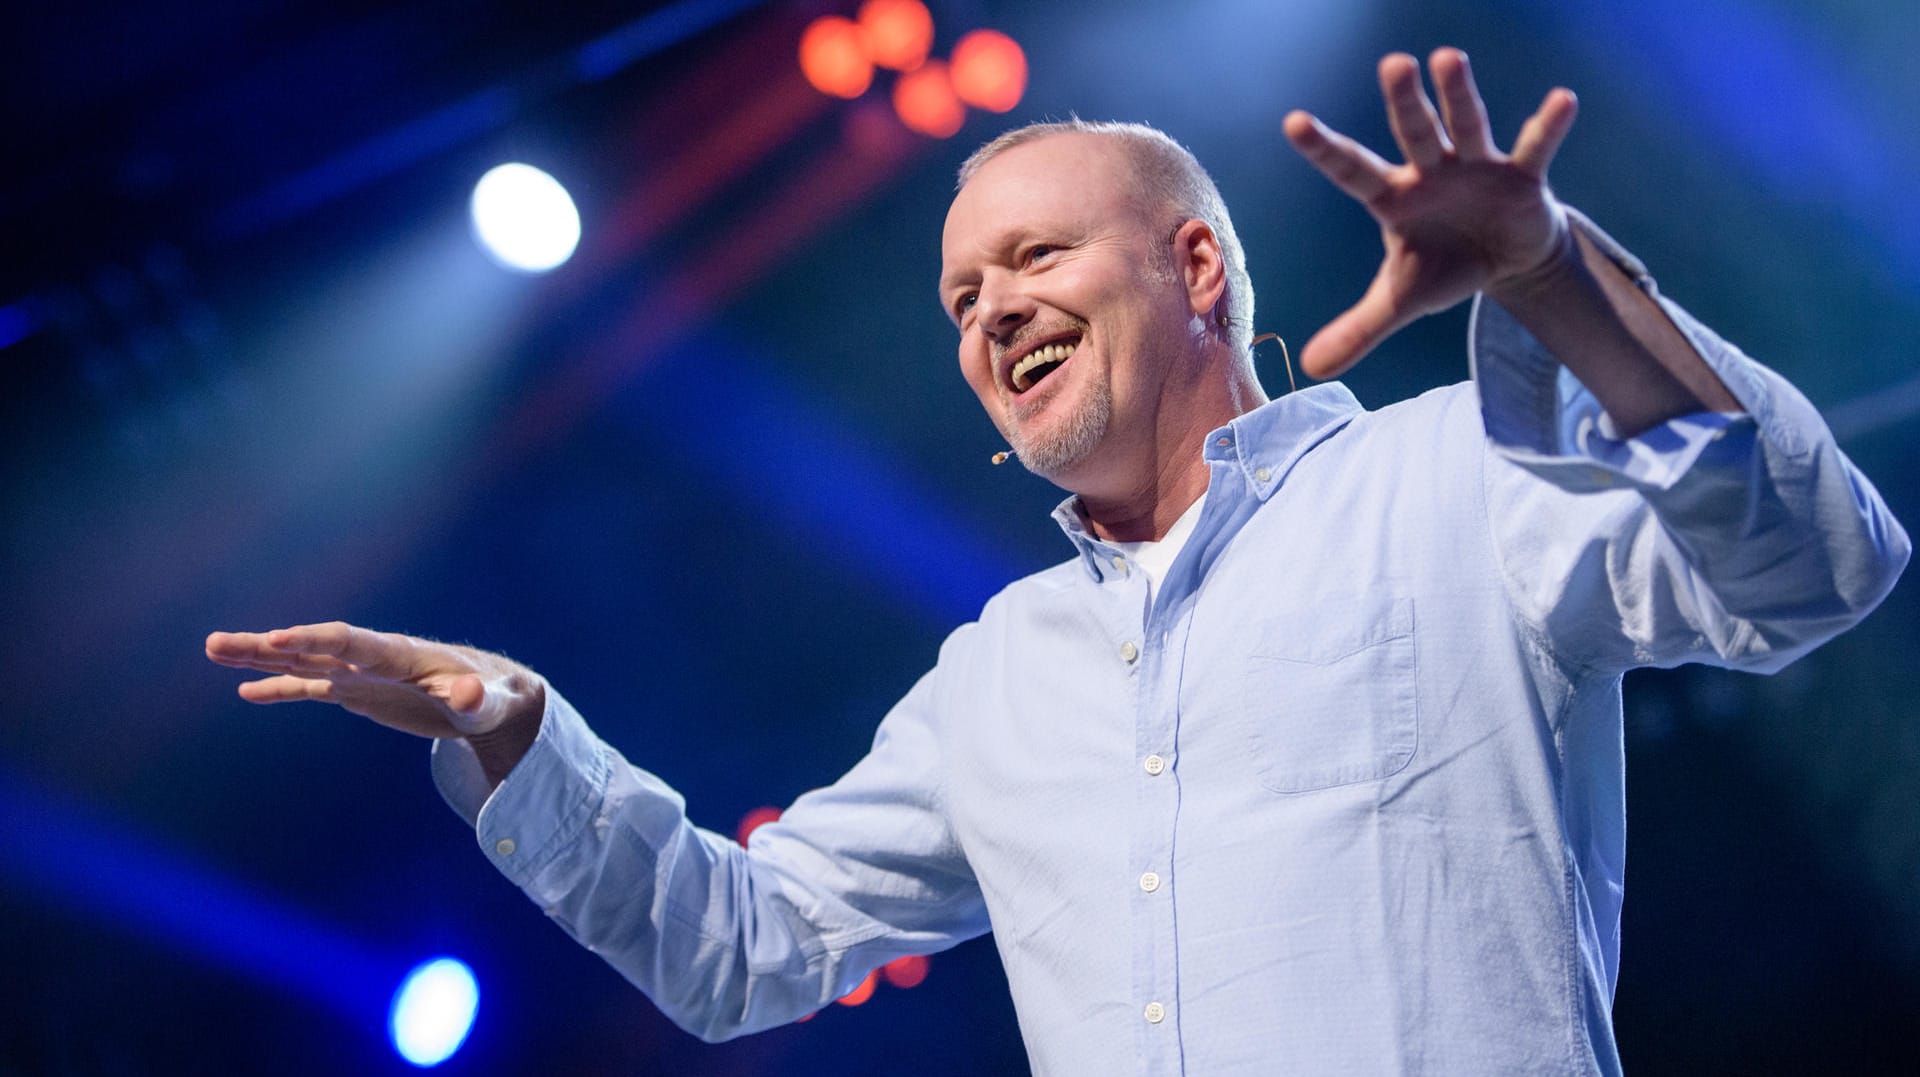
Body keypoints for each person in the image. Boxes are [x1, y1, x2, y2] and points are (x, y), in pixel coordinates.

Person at [207, 49, 1907, 1074]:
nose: (989, 310)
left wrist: (1546, 276)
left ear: (1196, 267)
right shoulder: (997, 673)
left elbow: (1812, 565)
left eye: (1030, 257)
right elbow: (741, 945)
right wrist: (513, 723)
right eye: (959, 298)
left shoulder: (1444, 482)